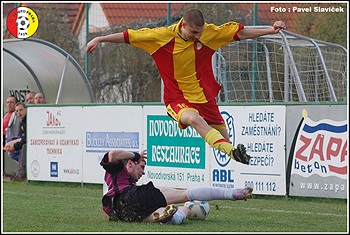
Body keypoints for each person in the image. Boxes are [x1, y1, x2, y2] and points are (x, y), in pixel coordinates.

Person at [86, 8, 286, 165]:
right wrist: (100, 38)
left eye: (199, 32)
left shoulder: (208, 33)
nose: (197, 36)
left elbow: (240, 34)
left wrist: (271, 29)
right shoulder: (161, 36)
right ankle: (232, 152)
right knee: (194, 118)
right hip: (177, 99)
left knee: (225, 142)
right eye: (193, 32)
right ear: (183, 25)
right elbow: (128, 36)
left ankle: (234, 154)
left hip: (205, 98)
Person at [100, 149, 253, 224]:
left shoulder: (118, 179)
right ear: (130, 164)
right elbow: (112, 154)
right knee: (185, 195)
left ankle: (166, 217)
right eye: (142, 166)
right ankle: (232, 193)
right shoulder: (118, 169)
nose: (143, 172)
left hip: (120, 213)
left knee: (159, 214)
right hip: (131, 197)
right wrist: (135, 155)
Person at [4, 102, 27, 181]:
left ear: (26, 109)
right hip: (25, 142)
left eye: (21, 110)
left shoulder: (28, 120)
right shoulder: (22, 122)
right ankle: (21, 171)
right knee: (14, 151)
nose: (19, 113)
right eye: (17, 111)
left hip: (33, 144)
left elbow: (26, 139)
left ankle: (22, 174)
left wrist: (15, 146)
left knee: (23, 147)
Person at [2, 95, 22, 162]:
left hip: (15, 139)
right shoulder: (6, 114)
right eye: (7, 102)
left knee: (13, 155)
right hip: (7, 139)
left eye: (11, 102)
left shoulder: (17, 114)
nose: (9, 104)